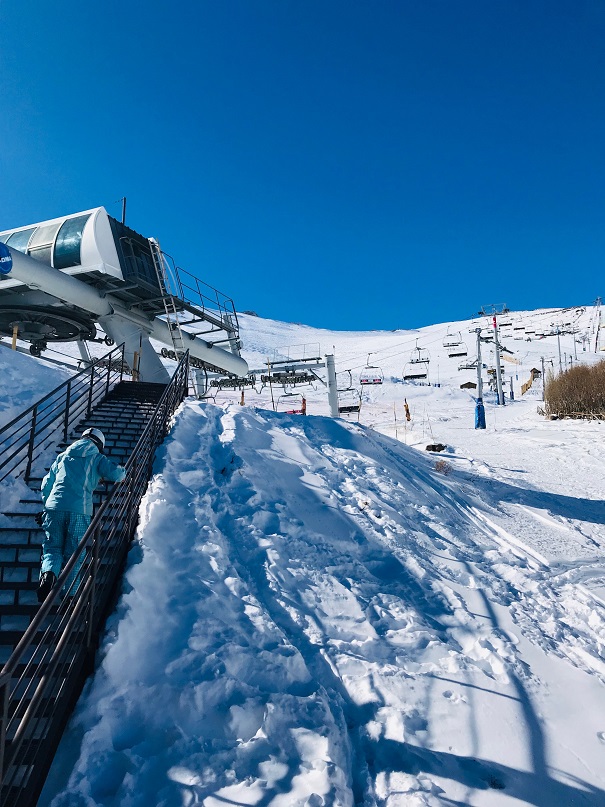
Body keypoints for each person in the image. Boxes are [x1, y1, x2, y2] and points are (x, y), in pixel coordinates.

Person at [38, 428, 126, 602]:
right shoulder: (97, 458)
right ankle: (70, 597)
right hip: (79, 511)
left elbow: (47, 484)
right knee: (74, 554)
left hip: (53, 509)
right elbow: (117, 474)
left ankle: (48, 575)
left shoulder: (63, 456)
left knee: (52, 548)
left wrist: (47, 506)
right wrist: (123, 471)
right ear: (99, 444)